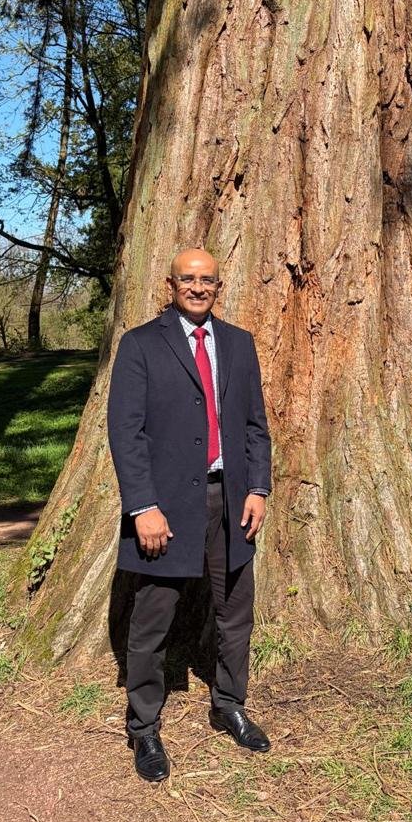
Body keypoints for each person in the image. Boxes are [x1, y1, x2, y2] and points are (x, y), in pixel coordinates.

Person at [107, 247, 272, 782]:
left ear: (219, 285)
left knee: (234, 612)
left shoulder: (239, 344)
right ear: (170, 282)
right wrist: (143, 506)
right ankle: (144, 728)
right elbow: (125, 434)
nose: (198, 288)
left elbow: (254, 427)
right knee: (153, 617)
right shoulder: (140, 345)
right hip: (165, 507)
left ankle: (230, 704)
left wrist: (258, 488)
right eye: (188, 279)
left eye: (208, 280)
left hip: (230, 499)